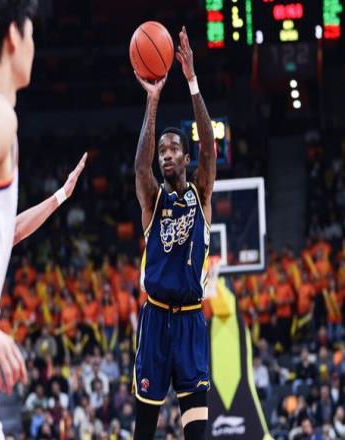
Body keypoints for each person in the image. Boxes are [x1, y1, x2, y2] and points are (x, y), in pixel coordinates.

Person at [0, 2, 86, 437]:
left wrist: (60, 197)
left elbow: (2, 235)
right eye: (32, 34)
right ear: (14, 35)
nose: (34, 46)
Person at [132, 26, 215, 440]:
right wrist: (153, 100)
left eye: (172, 150)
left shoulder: (202, 193)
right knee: (144, 431)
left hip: (190, 322)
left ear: (185, 158)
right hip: (155, 319)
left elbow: (210, 147)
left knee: (196, 433)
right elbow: (139, 166)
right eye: (162, 150)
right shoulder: (153, 200)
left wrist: (192, 81)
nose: (165, 155)